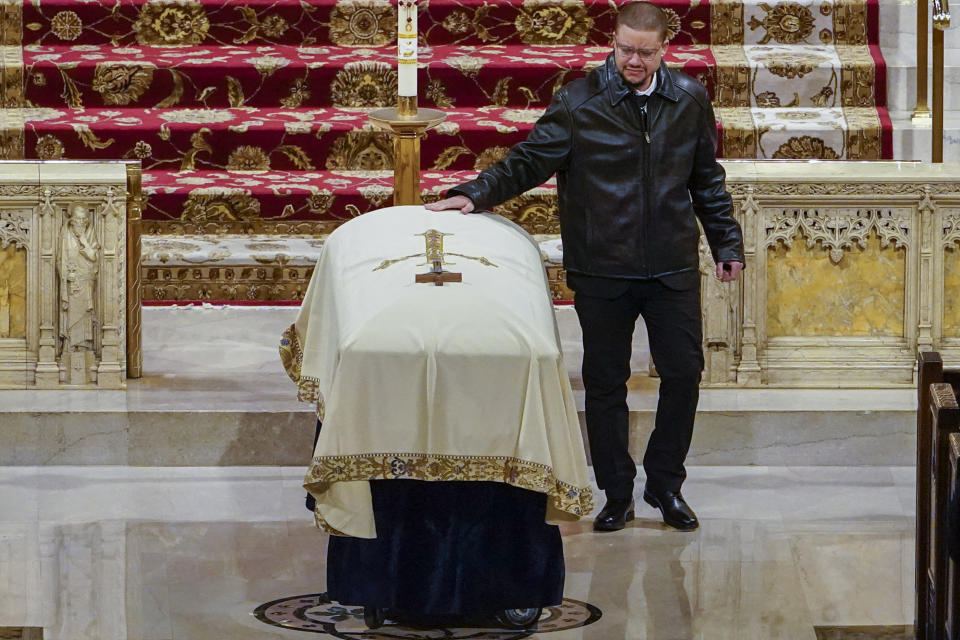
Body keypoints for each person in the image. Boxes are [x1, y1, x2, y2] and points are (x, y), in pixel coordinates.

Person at [426, 1, 745, 533]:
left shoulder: (689, 98)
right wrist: (474, 194)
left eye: (645, 52)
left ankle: (665, 485)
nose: (633, 62)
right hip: (603, 268)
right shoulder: (579, 101)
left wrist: (725, 243)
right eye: (625, 50)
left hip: (670, 266)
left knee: (685, 373)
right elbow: (528, 160)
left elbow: (705, 179)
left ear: (664, 48)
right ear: (613, 43)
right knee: (604, 383)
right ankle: (616, 491)